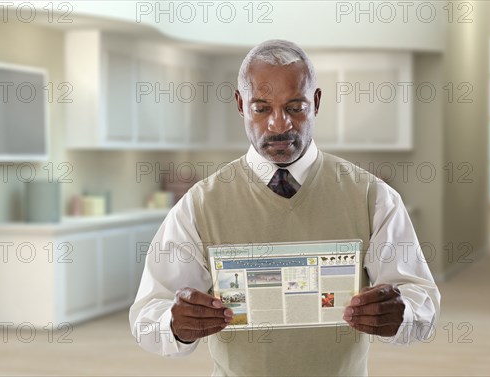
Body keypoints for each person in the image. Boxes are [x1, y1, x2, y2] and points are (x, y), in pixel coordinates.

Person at [130, 39, 441, 376]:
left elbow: (421, 301)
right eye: (261, 108)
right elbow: (148, 315)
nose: (279, 125)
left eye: (295, 107)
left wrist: (403, 314)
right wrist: (174, 325)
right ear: (240, 104)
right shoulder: (199, 205)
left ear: (316, 102)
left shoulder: (373, 197)